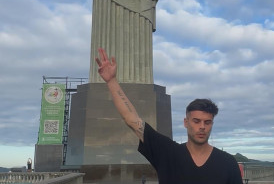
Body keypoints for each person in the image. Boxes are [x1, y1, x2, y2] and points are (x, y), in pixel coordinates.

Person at [96, 48, 243, 184]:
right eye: (196, 121)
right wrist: (111, 81)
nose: (202, 127)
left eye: (207, 122)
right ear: (186, 122)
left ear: (212, 124)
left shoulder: (227, 163)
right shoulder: (167, 153)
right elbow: (132, 120)